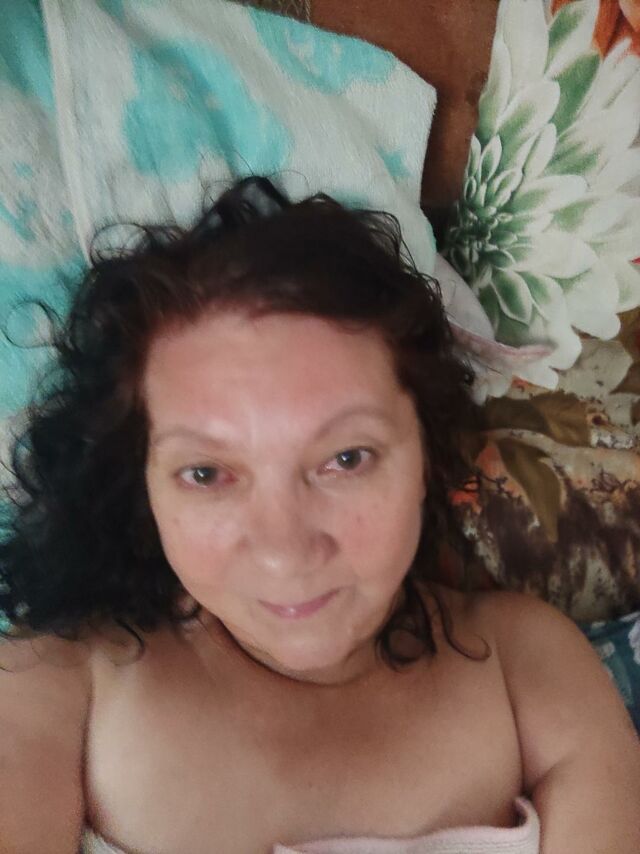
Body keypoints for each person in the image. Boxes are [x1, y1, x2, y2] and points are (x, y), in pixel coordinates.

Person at [0, 177, 638, 854]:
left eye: (346, 459)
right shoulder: (55, 685)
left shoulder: (525, 663)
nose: (285, 550)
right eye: (206, 474)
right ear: (141, 485)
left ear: (427, 453)